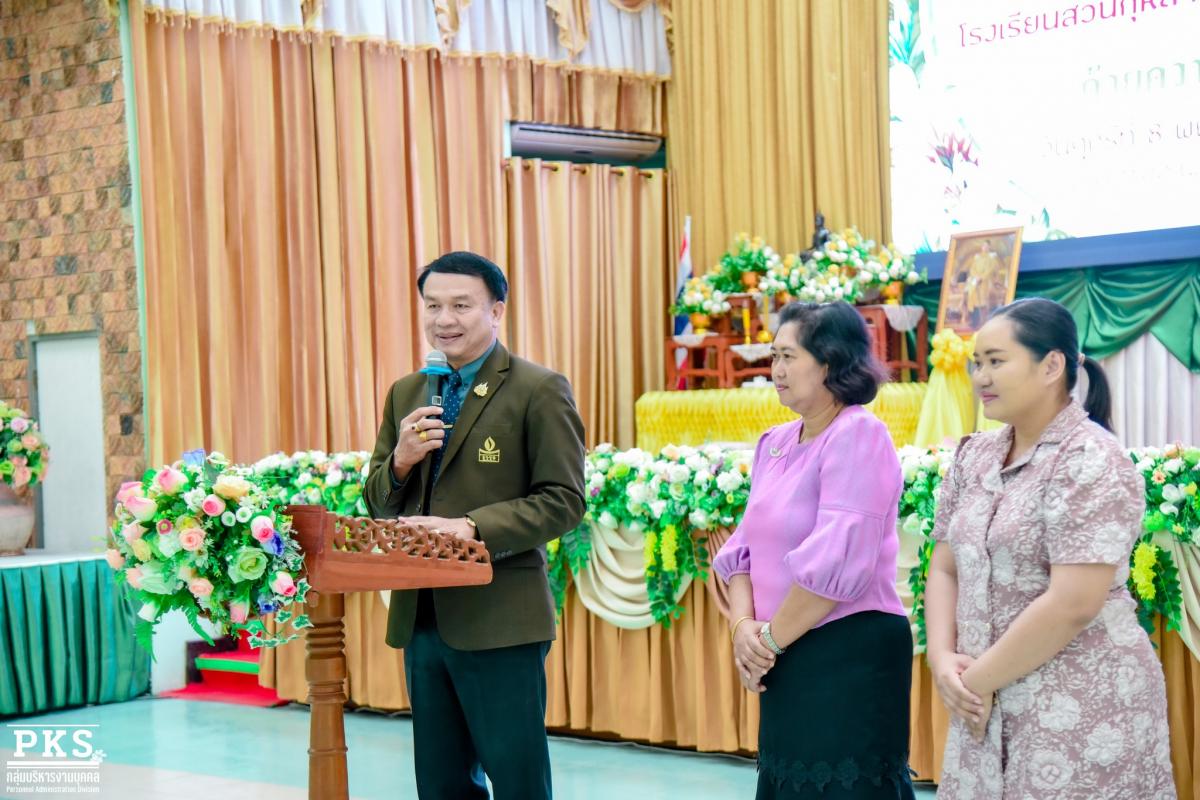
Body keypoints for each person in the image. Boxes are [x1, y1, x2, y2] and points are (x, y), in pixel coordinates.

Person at [925, 297, 1175, 799]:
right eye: (977, 363)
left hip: (1079, 709)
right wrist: (940, 656)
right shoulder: (975, 456)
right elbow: (946, 565)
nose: (980, 377)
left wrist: (976, 679)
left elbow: (1073, 604)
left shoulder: (1091, 458)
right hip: (981, 703)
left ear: (1052, 366)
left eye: (996, 361)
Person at [363, 251, 586, 800]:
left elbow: (564, 500)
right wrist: (400, 462)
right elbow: (375, 499)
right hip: (423, 616)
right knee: (439, 783)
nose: (444, 319)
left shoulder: (538, 388)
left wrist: (473, 527)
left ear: (496, 310)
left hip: (499, 618)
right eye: (433, 305)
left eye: (461, 305)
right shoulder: (408, 392)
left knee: (517, 778)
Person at [713, 301, 916, 800]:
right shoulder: (775, 442)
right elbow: (742, 550)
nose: (775, 371)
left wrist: (765, 645)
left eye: (788, 356)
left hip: (847, 651)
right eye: (773, 357)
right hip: (784, 652)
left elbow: (837, 566)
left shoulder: (859, 434)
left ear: (829, 362)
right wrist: (743, 630)